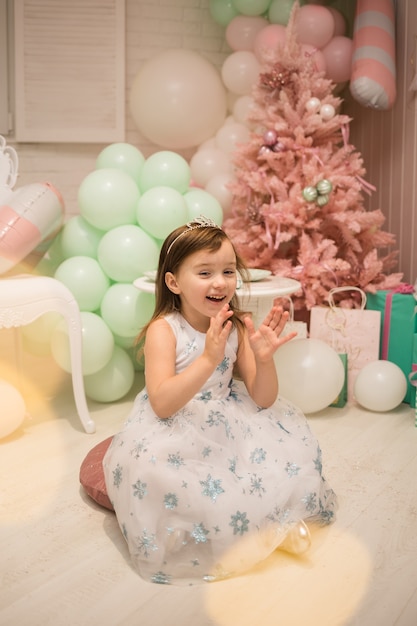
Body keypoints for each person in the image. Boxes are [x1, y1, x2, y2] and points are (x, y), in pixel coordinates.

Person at [103, 215, 337, 585]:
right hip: (175, 424)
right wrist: (208, 359)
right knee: (160, 475)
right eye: (205, 272)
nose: (220, 282)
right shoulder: (164, 330)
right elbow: (163, 403)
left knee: (269, 470)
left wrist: (263, 358)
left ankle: (273, 530)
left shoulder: (237, 325)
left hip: (230, 420)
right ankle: (221, 536)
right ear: (173, 282)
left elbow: (263, 400)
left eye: (228, 271)